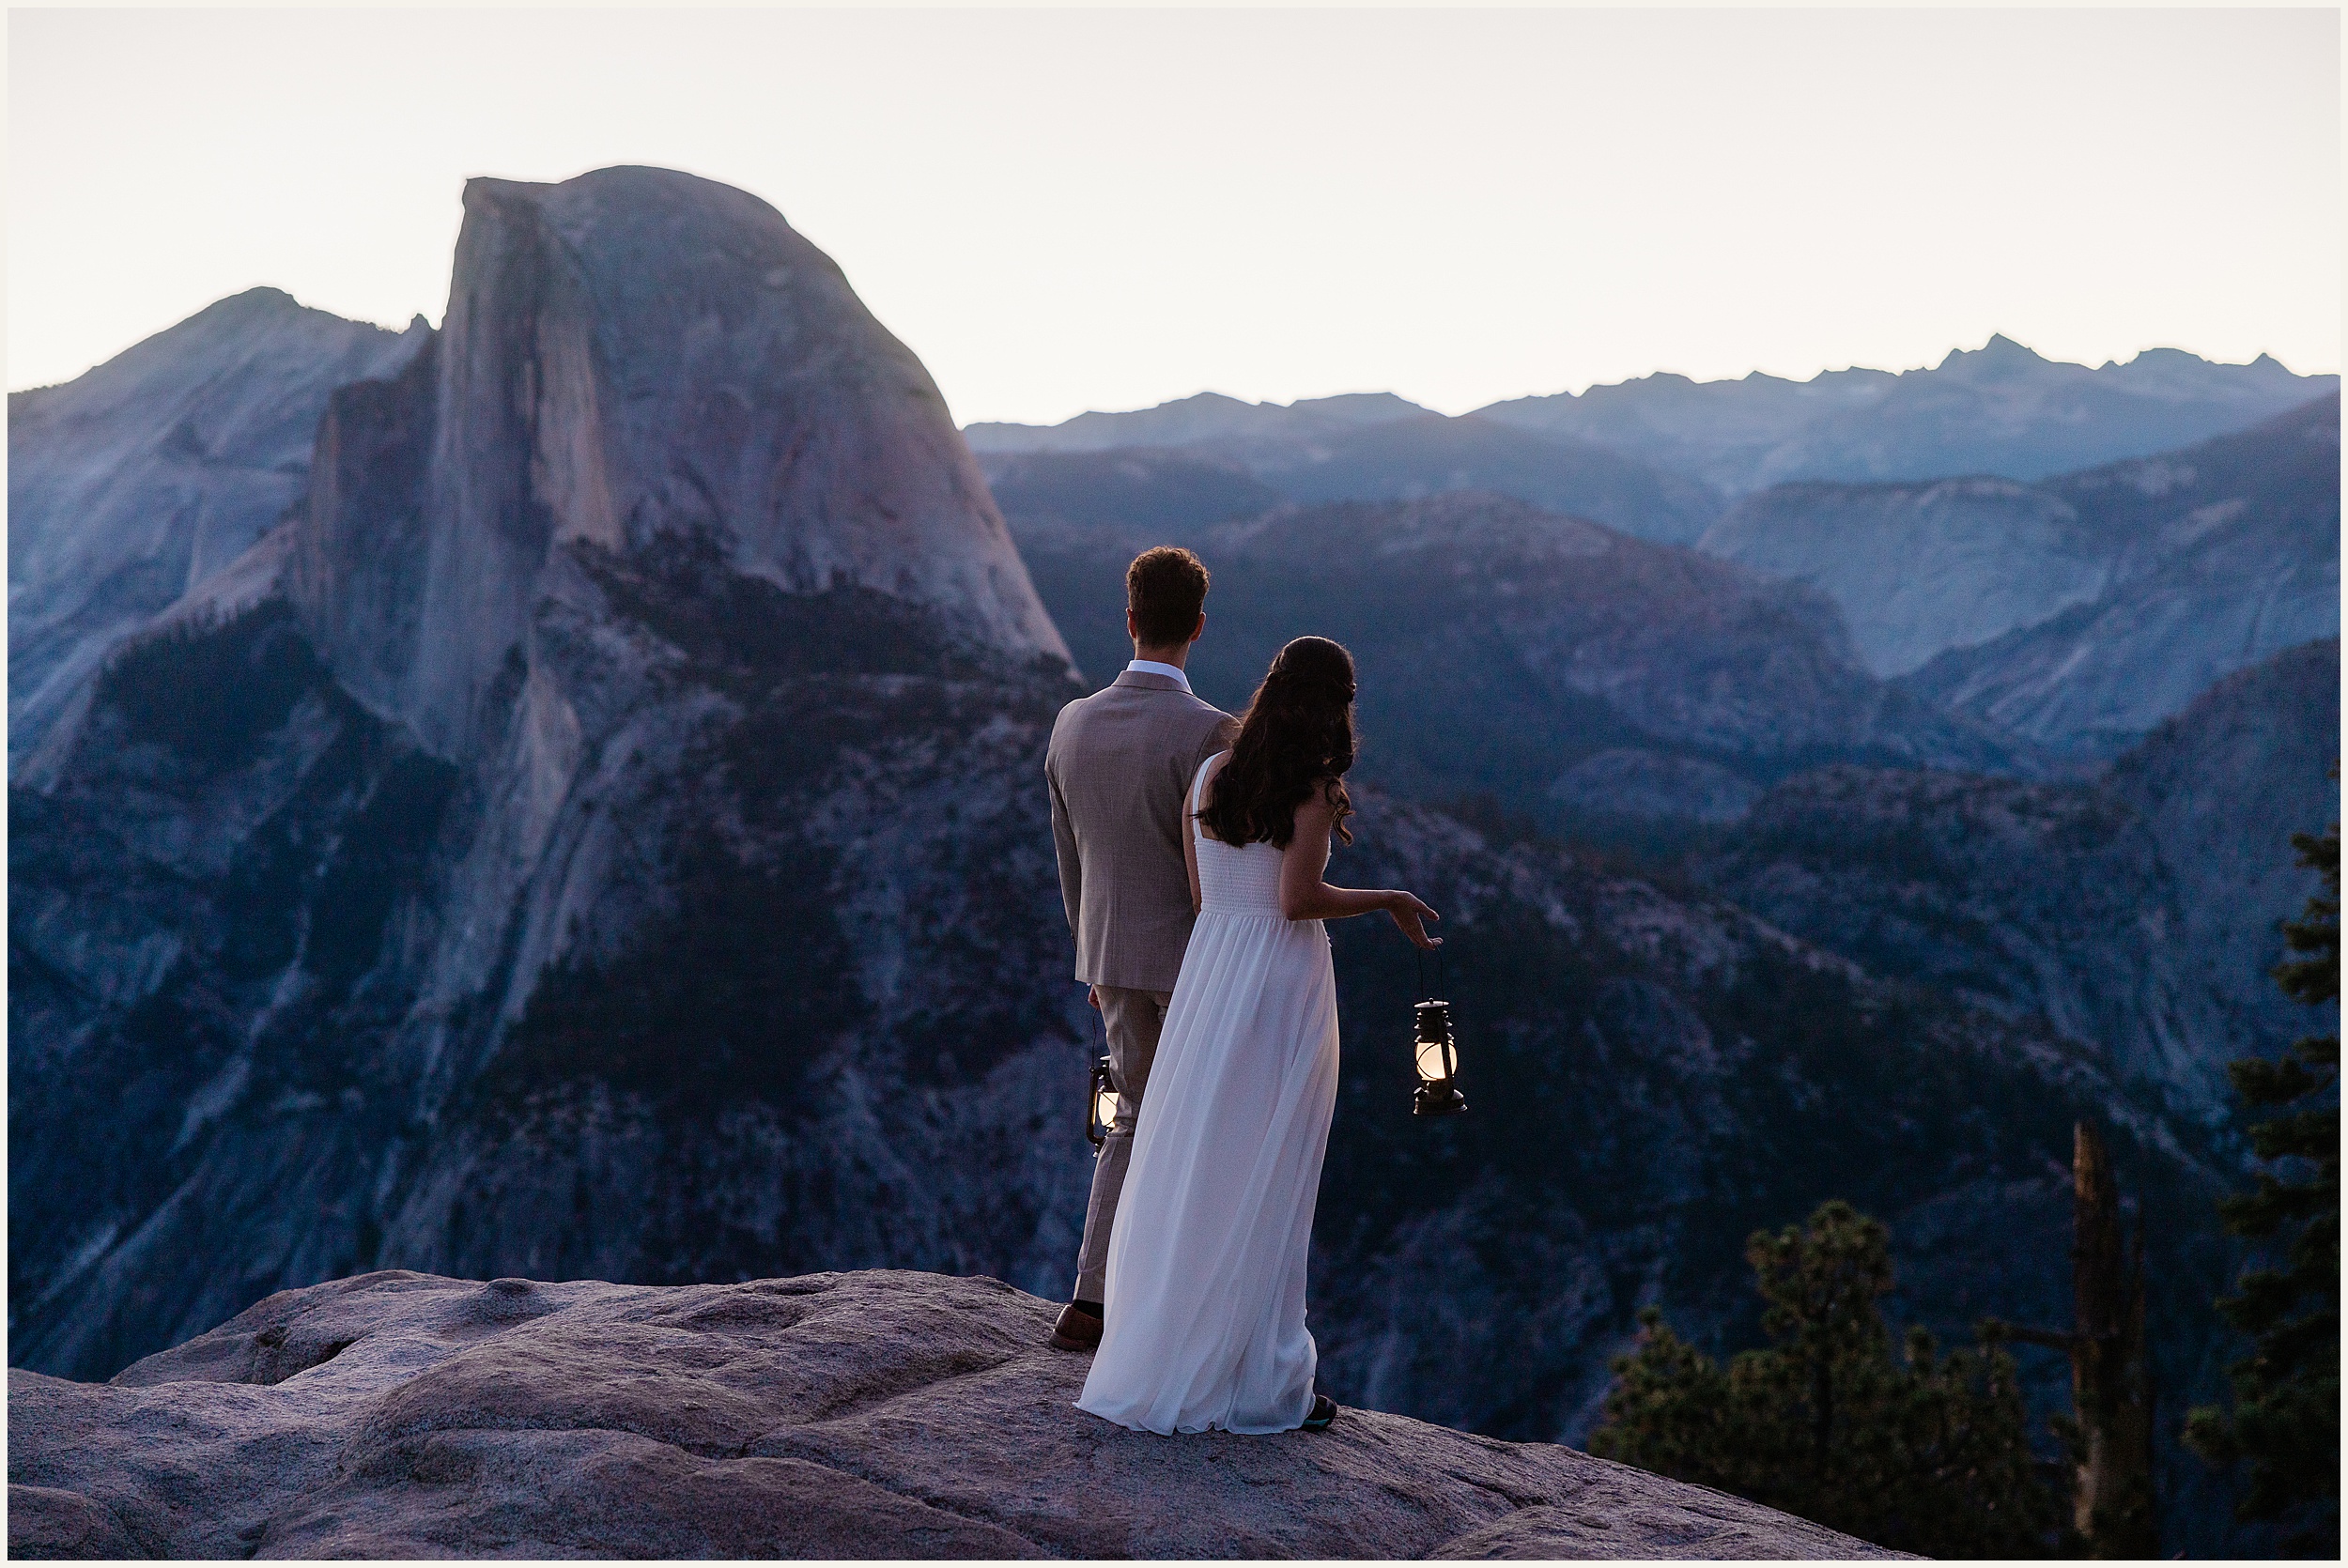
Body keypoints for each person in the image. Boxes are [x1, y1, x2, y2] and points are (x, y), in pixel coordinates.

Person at [1075, 636, 1440, 1435]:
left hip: (1213, 975)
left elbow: (1206, 894)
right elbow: (1298, 900)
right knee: (1273, 1171)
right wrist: (1388, 898)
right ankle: (1261, 1376)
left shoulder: (1210, 776)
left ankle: (1178, 1346)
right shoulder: (1309, 789)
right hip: (1278, 984)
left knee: (1203, 1159)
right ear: (1335, 708)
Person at [1043, 546, 1241, 1353]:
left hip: (1111, 958)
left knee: (1131, 1123)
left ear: (1128, 621)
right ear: (1198, 626)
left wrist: (1090, 956)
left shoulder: (1071, 722)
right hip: (1200, 965)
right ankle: (1184, 1312)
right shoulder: (1212, 733)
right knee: (1210, 1133)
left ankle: (1090, 1299)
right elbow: (1223, 872)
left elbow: (1070, 858)